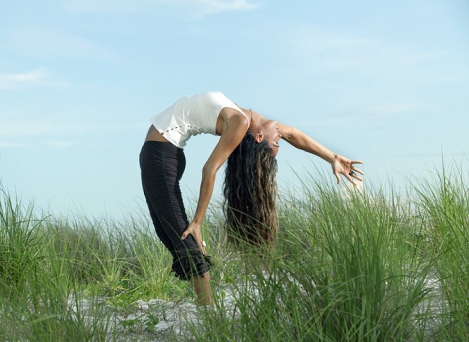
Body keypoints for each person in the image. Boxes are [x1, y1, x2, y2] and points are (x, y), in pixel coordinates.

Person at [139, 92, 363, 305]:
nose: (280, 139)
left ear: (259, 137)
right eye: (278, 143)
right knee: (167, 231)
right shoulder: (247, 119)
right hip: (160, 155)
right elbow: (293, 134)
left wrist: (197, 221)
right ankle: (204, 304)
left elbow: (210, 169)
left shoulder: (241, 122)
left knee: (181, 235)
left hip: (161, 155)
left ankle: (206, 310)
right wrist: (331, 156)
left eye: (276, 143)